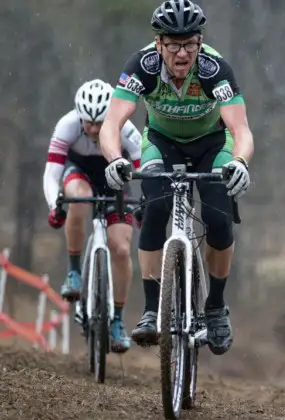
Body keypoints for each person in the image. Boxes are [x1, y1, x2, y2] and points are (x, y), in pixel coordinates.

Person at [98, 0, 254, 356]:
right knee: (154, 209)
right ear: (158, 44)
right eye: (173, 44)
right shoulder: (142, 66)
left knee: (218, 219)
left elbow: (240, 128)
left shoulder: (215, 68)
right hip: (161, 143)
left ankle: (215, 307)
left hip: (214, 144)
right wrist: (115, 158)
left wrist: (241, 161)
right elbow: (112, 123)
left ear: (200, 43)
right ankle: (152, 309)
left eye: (190, 44)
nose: (182, 53)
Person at [43, 79, 143, 353]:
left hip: (115, 182)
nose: (95, 129)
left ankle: (118, 321)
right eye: (89, 123)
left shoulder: (126, 130)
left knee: (121, 250)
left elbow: (144, 171)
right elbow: (51, 173)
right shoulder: (67, 126)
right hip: (80, 173)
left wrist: (148, 204)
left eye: (101, 123)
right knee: (77, 196)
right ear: (79, 115)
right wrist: (55, 206)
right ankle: (74, 271)